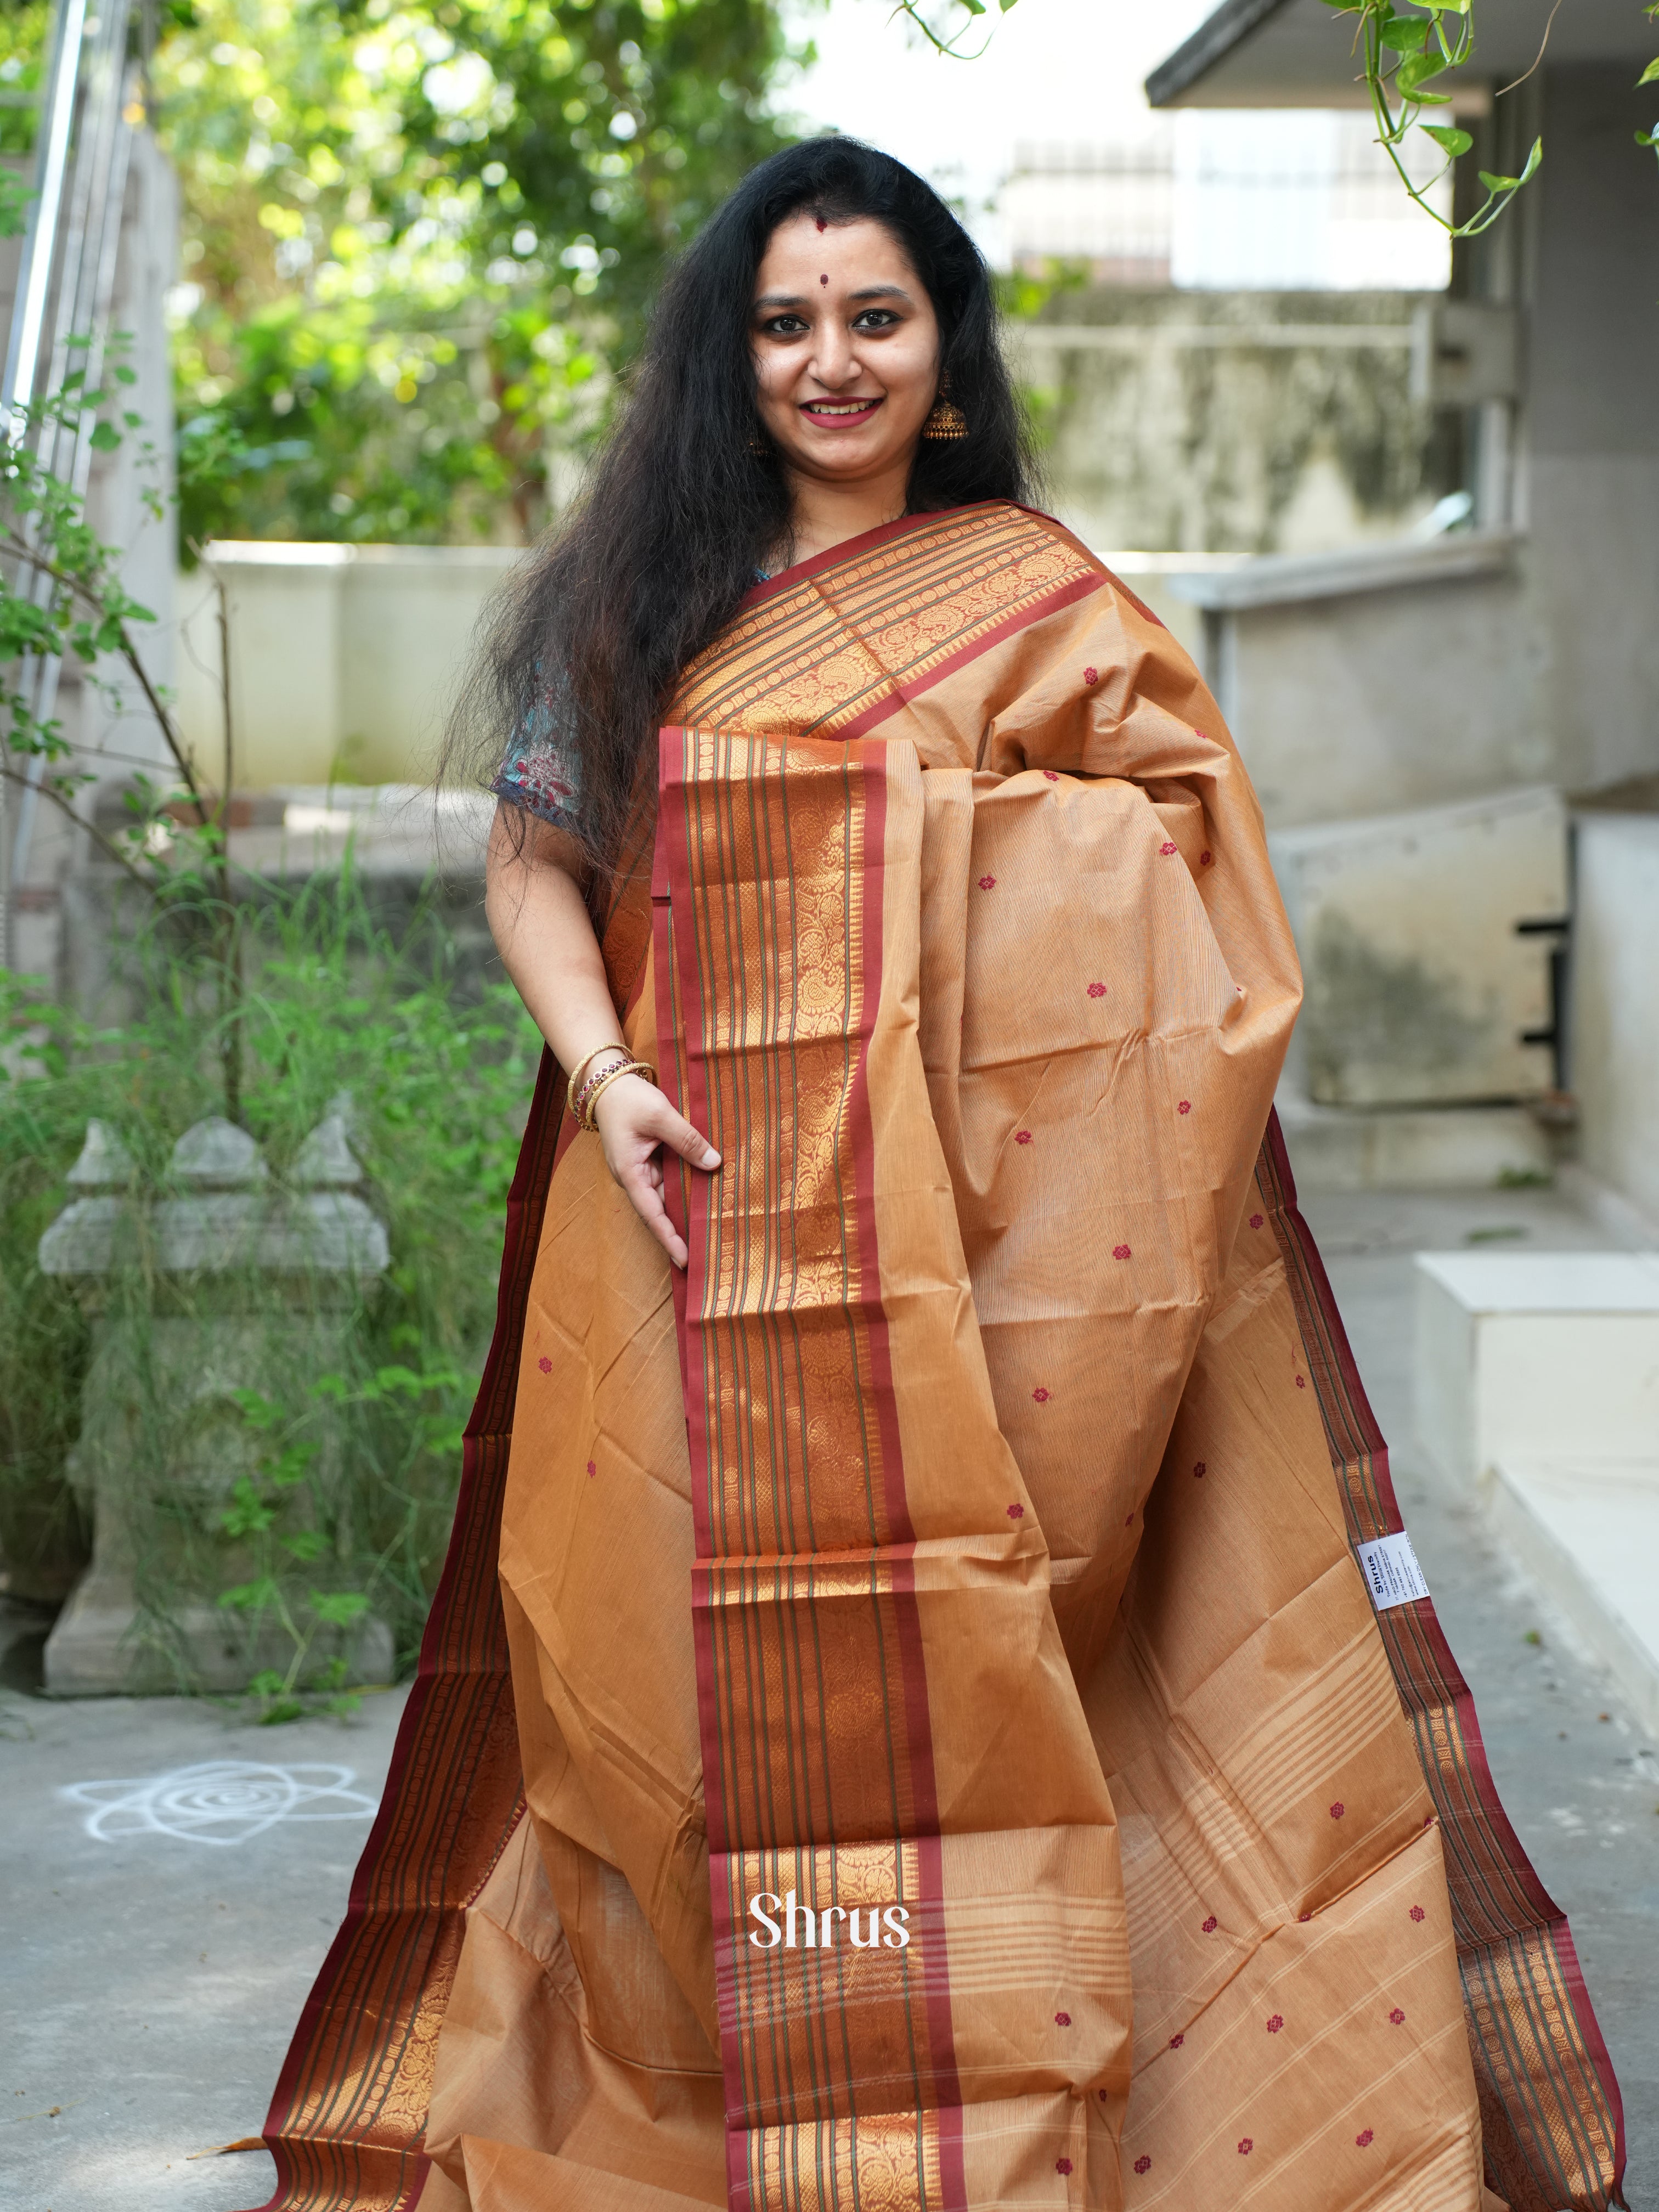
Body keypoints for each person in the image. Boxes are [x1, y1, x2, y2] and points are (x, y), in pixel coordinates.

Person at [253, 140, 1624, 2212]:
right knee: (669, 1675)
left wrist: (943, 851)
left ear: (944, 352)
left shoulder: (1042, 600)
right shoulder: (640, 601)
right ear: (732, 359)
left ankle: (1068, 2103)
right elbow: (535, 863)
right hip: (683, 1227)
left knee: (1051, 1672)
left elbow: (1196, 897)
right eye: (785, 323)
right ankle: (742, 2103)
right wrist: (606, 1067)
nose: (830, 360)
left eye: (874, 317)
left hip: (1006, 1278)